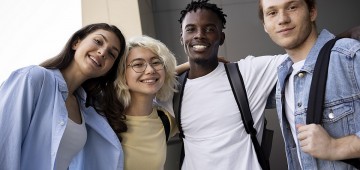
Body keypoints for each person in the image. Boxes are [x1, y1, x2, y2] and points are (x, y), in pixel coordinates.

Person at [0, 23, 127, 170]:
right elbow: (4, 141)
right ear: (76, 43)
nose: (103, 52)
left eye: (112, 54)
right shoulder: (33, 78)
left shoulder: (86, 109)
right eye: (98, 41)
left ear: (108, 70)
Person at [259, 0, 360, 169]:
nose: (282, 19)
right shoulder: (281, 77)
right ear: (265, 25)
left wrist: (336, 147)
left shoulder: (349, 55)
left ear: (312, 12)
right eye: (272, 13)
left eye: (292, 7)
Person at [114, 35, 178, 170]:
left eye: (156, 62)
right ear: (121, 73)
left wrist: (197, 65)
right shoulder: (104, 120)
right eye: (138, 64)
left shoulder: (166, 120)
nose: (150, 70)